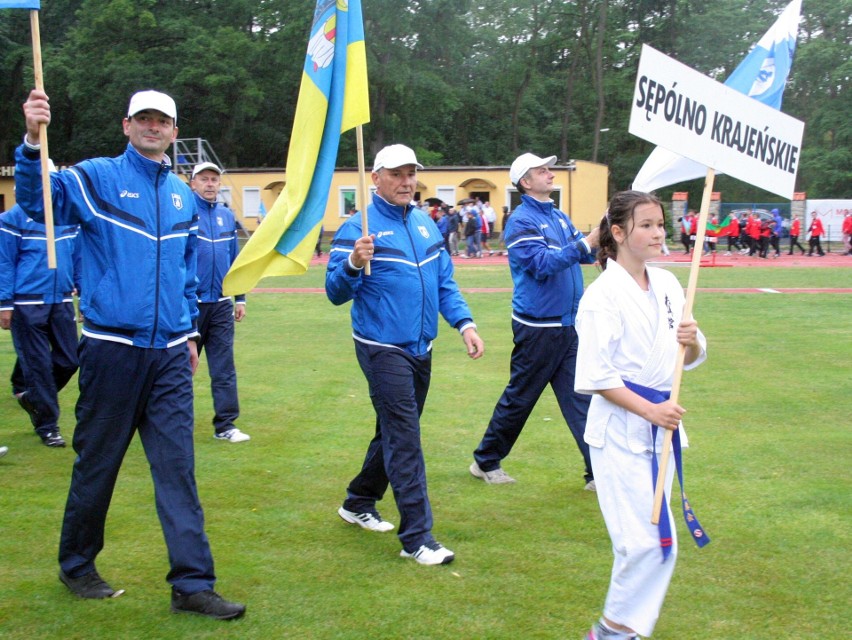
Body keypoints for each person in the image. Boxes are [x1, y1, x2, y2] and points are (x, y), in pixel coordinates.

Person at [16, 88, 245, 618]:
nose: (152, 126)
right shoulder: (95, 176)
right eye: (143, 118)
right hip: (111, 348)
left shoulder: (185, 196)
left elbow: (187, 272)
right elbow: (38, 200)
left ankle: (192, 583)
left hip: (168, 354)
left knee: (178, 470)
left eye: (161, 120)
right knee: (97, 464)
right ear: (126, 125)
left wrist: (188, 332)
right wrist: (32, 140)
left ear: (173, 129)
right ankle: (77, 565)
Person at [325, 144, 484, 566]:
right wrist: (354, 264)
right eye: (396, 174)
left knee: (395, 429)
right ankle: (418, 537)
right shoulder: (356, 228)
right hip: (381, 347)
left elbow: (444, 283)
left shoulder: (425, 224)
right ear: (375, 177)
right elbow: (335, 293)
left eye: (411, 173)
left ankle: (358, 500)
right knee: (405, 437)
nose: (406, 181)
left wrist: (464, 324)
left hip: (422, 346)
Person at [575, 190, 707, 640]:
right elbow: (596, 375)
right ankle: (611, 631)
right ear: (618, 232)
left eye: (659, 224)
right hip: (620, 432)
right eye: (646, 225)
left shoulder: (669, 284)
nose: (657, 233)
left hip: (660, 429)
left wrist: (690, 340)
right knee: (645, 544)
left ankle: (617, 631)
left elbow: (685, 357)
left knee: (657, 546)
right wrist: (651, 409)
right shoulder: (601, 297)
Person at [470, 153, 598, 490]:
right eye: (541, 170)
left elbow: (586, 253)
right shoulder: (521, 221)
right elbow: (542, 264)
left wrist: (608, 235)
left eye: (549, 168)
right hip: (539, 327)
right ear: (525, 182)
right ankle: (485, 461)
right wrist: (587, 241)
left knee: (582, 398)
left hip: (568, 324)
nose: (549, 173)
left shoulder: (557, 215)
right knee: (521, 397)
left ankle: (598, 471)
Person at [0, 203, 80, 448]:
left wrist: (84, 294)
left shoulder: (67, 218)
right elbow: (4, 262)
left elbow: (78, 258)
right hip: (27, 300)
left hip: (62, 298)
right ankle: (48, 426)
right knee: (39, 366)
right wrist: (5, 303)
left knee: (70, 359)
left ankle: (32, 397)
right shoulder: (12, 219)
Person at [189, 162, 250, 444]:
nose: (210, 183)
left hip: (222, 304)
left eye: (214, 179)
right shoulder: (185, 214)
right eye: (204, 179)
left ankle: (225, 425)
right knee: (181, 368)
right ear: (193, 183)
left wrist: (240, 298)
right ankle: (174, 422)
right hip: (191, 304)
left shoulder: (227, 216)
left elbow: (235, 261)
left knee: (224, 367)